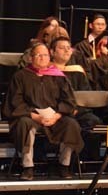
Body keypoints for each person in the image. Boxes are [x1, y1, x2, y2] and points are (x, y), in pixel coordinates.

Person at [2, 42, 84, 180]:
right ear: (30, 58)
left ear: (49, 57)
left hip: (54, 116)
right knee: (24, 124)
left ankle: (64, 165)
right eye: (38, 55)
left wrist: (57, 116)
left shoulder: (58, 76)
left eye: (45, 55)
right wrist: (35, 116)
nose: (42, 58)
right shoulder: (21, 76)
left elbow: (68, 100)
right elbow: (15, 101)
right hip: (30, 116)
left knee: (71, 125)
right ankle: (27, 167)